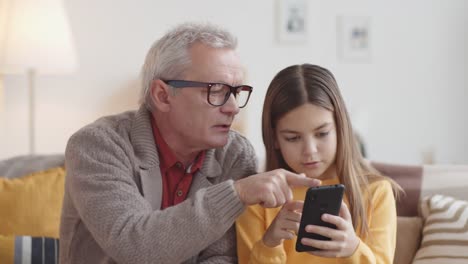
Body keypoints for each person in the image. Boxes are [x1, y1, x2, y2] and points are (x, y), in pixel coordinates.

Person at [59, 23, 320, 264]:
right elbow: (134, 246)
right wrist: (235, 194)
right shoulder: (97, 145)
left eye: (236, 92)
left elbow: (221, 258)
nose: (232, 108)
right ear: (162, 95)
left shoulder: (235, 154)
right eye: (216, 90)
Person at [236, 64, 402, 263]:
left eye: (322, 133)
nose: (310, 151)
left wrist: (353, 249)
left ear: (341, 128)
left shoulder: (376, 192)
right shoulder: (256, 198)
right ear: (274, 140)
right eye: (293, 138)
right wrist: (270, 244)